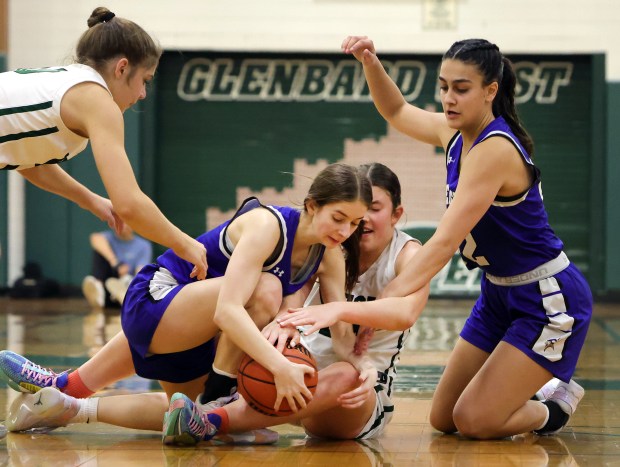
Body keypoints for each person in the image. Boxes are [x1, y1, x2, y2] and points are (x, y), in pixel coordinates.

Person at [311, 36, 592, 440]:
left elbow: (442, 244)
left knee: (476, 421)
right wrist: (370, 63)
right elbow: (396, 109)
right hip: (497, 292)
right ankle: (524, 388)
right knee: (444, 418)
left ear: (490, 90)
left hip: (545, 297)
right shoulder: (454, 133)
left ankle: (552, 408)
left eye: (461, 89)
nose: (448, 98)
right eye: (443, 86)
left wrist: (380, 303)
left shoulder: (494, 149)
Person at [0, 163, 373, 439]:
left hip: (197, 328)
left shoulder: (330, 256)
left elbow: (340, 330)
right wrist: (277, 366)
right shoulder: (268, 226)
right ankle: (218, 396)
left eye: (355, 224)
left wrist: (363, 362)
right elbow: (228, 310)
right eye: (338, 218)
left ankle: (64, 400)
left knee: (188, 418)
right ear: (311, 205)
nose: (345, 231)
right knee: (265, 291)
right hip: (157, 301)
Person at [159, 162, 432, 445]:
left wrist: (339, 315)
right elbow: (289, 297)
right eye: (346, 216)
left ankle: (213, 422)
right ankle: (133, 409)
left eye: (371, 211)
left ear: (396, 214)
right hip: (295, 374)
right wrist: (281, 324)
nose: (357, 225)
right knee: (187, 402)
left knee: (346, 375)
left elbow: (405, 313)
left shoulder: (407, 254)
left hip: (354, 395)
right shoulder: (326, 247)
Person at [0, 7, 207, 282]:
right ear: (122, 68)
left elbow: (27, 159)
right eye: (145, 81)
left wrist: (91, 201)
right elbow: (129, 204)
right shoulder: (97, 100)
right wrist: (184, 243)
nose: (144, 94)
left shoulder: (69, 82)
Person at [82, 224, 152, 308]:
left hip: (126, 283)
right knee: (100, 251)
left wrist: (129, 279)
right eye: (119, 221)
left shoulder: (143, 245)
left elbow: (140, 271)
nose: (122, 225)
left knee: (135, 279)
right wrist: (116, 263)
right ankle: (98, 288)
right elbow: (95, 238)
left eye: (126, 222)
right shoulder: (108, 237)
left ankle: (126, 293)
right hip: (106, 283)